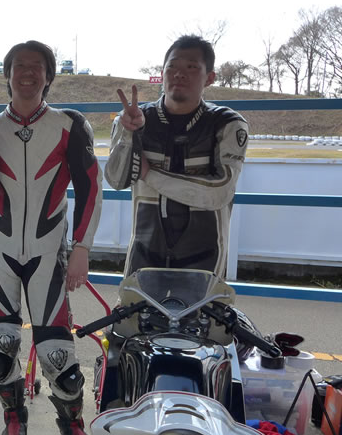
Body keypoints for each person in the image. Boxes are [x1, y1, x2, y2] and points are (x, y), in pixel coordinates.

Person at [0, 40, 103, 435]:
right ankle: (13, 418)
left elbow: (90, 188)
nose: (27, 72)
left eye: (36, 66)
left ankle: (73, 424)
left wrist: (82, 248)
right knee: (0, 352)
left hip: (49, 250)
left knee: (60, 357)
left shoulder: (70, 124)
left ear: (48, 76)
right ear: (7, 75)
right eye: (19, 65)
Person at [105, 35, 248, 278]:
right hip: (144, 253)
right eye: (172, 66)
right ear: (162, 73)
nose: (179, 74)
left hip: (206, 256)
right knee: (133, 305)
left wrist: (149, 174)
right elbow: (116, 180)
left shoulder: (227, 123)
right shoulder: (133, 118)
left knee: (204, 306)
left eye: (191, 67)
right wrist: (128, 136)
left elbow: (219, 193)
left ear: (210, 77)